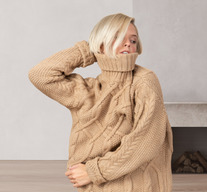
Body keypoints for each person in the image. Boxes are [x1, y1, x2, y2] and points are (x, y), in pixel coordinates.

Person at [29, 13, 173, 192]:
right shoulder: (88, 90)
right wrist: (91, 50)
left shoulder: (144, 81)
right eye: (118, 38)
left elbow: (147, 140)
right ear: (101, 44)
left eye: (133, 40)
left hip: (133, 185)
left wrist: (94, 171)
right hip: (92, 186)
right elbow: (40, 74)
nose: (128, 43)